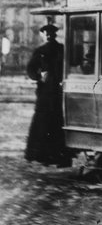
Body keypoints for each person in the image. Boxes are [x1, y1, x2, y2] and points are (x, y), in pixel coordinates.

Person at [25, 24, 72, 167]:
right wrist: (39, 75)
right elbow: (30, 69)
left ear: (55, 35)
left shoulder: (61, 49)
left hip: (58, 91)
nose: (49, 35)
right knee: (43, 122)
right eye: (46, 33)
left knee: (57, 122)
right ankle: (41, 155)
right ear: (43, 35)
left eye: (51, 33)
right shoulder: (39, 51)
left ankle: (58, 157)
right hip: (45, 92)